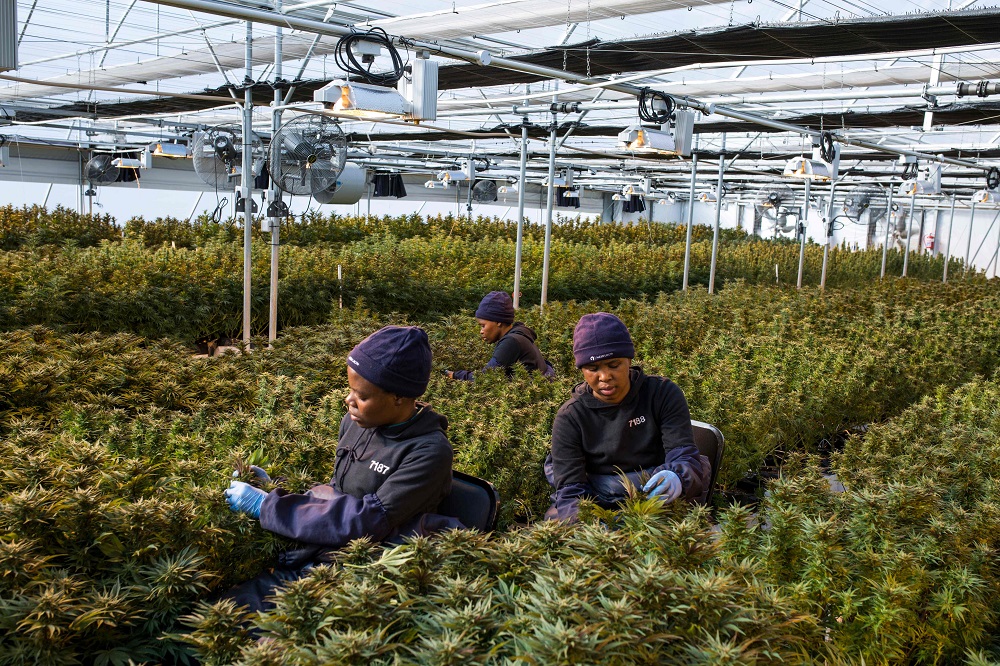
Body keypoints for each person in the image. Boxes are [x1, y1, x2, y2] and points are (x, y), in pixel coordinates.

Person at [220, 325, 461, 613]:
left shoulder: (429, 453)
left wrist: (269, 507)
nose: (349, 401)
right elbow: (337, 493)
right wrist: (275, 489)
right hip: (321, 550)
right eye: (350, 390)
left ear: (398, 397)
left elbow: (367, 521)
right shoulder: (357, 422)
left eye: (362, 395)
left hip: (359, 571)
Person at [545, 312, 711, 522]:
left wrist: (677, 477)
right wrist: (588, 530)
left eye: (614, 365)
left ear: (629, 359)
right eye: (592, 368)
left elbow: (684, 454)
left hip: (658, 499)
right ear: (581, 369)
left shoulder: (662, 394)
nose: (604, 377)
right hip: (599, 502)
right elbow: (571, 490)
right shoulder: (570, 417)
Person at [445, 290, 555, 381]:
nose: (481, 331)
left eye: (483, 326)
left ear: (498, 322)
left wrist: (455, 375)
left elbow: (486, 378)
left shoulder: (511, 342)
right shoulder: (519, 335)